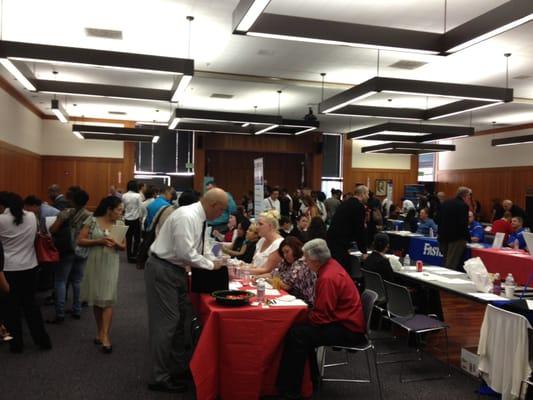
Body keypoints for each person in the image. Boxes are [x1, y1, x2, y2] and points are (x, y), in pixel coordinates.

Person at [144, 188, 227, 393]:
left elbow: (202, 246)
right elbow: (186, 252)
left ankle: (177, 368)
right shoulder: (187, 216)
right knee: (167, 324)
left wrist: (215, 259)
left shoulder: (199, 217)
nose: (222, 214)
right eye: (222, 209)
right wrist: (211, 265)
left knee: (181, 320)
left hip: (176, 270)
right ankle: (160, 377)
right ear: (214, 205)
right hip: (164, 269)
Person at [277, 239, 366, 399]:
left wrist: (300, 316)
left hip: (348, 329)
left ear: (315, 260)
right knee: (300, 333)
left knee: (297, 334)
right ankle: (310, 379)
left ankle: (291, 391)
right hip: (345, 321)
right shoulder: (331, 266)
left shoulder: (327, 278)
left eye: (305, 258)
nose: (304, 261)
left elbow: (321, 317)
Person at [0, 192, 52, 353]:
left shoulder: (1, 219)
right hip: (30, 267)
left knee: (11, 309)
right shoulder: (30, 216)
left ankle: (16, 345)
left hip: (9, 269)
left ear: (3, 205)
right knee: (31, 305)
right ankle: (42, 340)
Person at [78, 196, 126, 354]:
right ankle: (100, 332)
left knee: (108, 299)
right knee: (97, 298)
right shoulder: (92, 220)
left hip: (111, 262)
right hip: (95, 261)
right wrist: (99, 241)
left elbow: (123, 246)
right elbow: (80, 241)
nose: (121, 212)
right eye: (119, 209)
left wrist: (115, 243)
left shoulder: (119, 223)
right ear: (109, 209)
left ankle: (106, 336)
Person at [47, 189, 91, 323]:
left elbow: (52, 229)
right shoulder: (90, 215)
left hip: (67, 250)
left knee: (61, 281)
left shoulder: (66, 213)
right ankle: (77, 309)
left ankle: (60, 313)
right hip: (82, 250)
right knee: (77, 281)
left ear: (72, 200)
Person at [327, 185, 369, 274]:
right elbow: (359, 230)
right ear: (363, 194)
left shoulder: (345, 203)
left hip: (331, 241)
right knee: (343, 272)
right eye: (367, 194)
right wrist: (364, 251)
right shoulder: (358, 206)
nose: (368, 197)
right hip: (340, 244)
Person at [271, 237, 316, 304]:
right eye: (283, 253)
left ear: (295, 249)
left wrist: (267, 279)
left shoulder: (301, 262)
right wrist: (257, 277)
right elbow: (273, 273)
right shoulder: (286, 261)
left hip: (304, 302)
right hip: (290, 298)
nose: (285, 255)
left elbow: (286, 286)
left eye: (287, 251)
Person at [438, 187, 471, 270]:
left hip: (443, 237)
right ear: (465, 196)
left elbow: (436, 219)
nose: (469, 199)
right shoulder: (463, 206)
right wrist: (468, 238)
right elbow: (463, 224)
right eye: (469, 197)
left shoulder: (445, 203)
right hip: (456, 238)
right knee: (451, 264)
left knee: (445, 261)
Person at [248, 210, 284, 275]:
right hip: (253, 277)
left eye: (260, 224)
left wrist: (242, 270)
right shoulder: (261, 240)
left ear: (270, 226)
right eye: (257, 224)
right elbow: (253, 264)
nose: (257, 227)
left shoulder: (279, 244)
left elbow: (267, 270)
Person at [122, 180, 143, 263]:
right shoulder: (138, 196)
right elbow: (140, 208)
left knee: (128, 238)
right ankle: (134, 255)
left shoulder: (124, 195)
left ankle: (129, 257)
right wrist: (141, 218)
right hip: (136, 219)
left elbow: (123, 207)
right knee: (137, 239)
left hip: (127, 219)